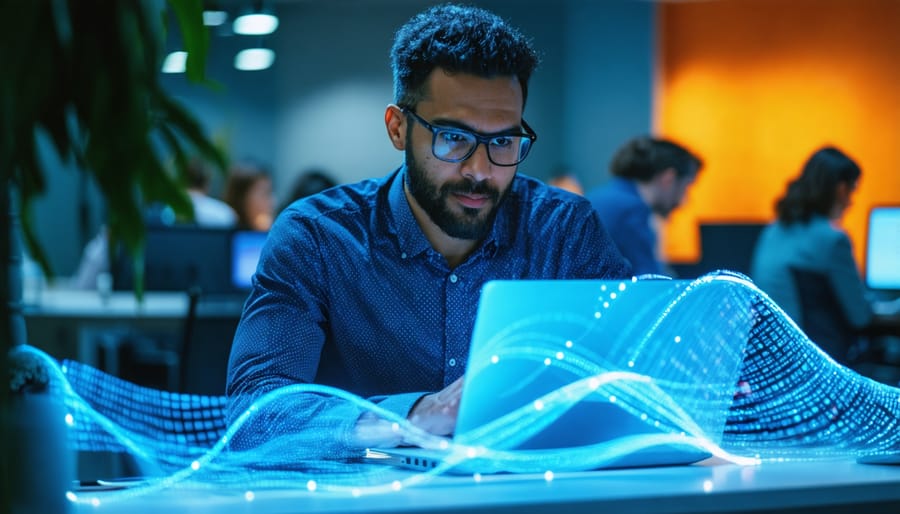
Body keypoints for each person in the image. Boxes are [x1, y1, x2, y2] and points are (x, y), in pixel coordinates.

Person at [225, 3, 631, 451]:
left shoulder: (564, 229)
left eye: (503, 140)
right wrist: (415, 418)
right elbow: (255, 414)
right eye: (454, 137)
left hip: (535, 490)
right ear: (398, 128)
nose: (480, 170)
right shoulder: (318, 237)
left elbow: (639, 373)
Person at [750, 146, 899, 351]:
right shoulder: (832, 240)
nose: (851, 202)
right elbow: (860, 317)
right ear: (841, 189)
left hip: (777, 356)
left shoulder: (772, 232)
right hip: (821, 361)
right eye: (853, 190)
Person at [71, 158, 236, 290]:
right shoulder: (226, 217)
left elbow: (85, 282)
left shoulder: (143, 220)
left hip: (141, 321)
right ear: (206, 183)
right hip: (208, 321)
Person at [586, 136, 703, 276]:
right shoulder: (632, 209)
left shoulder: (596, 197)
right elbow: (649, 281)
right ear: (668, 178)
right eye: (686, 186)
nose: (684, 201)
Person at [223, 164, 275, 232]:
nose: (272, 202)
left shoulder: (272, 230)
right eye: (265, 194)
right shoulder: (222, 232)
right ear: (241, 199)